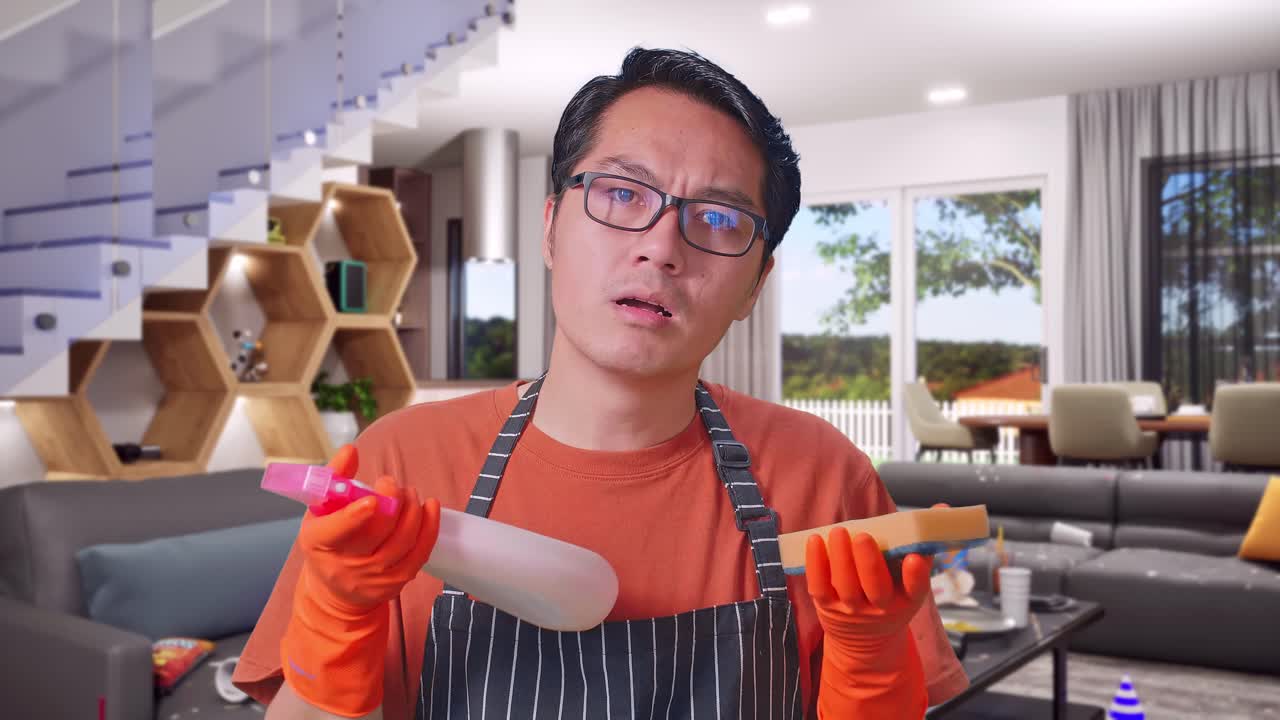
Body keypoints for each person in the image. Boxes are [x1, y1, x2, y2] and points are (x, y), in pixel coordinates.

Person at [234, 47, 969, 719]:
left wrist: (871, 670)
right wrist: (333, 627)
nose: (661, 248)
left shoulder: (824, 478)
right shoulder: (397, 467)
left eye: (717, 218)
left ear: (755, 286)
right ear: (551, 227)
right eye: (622, 193)